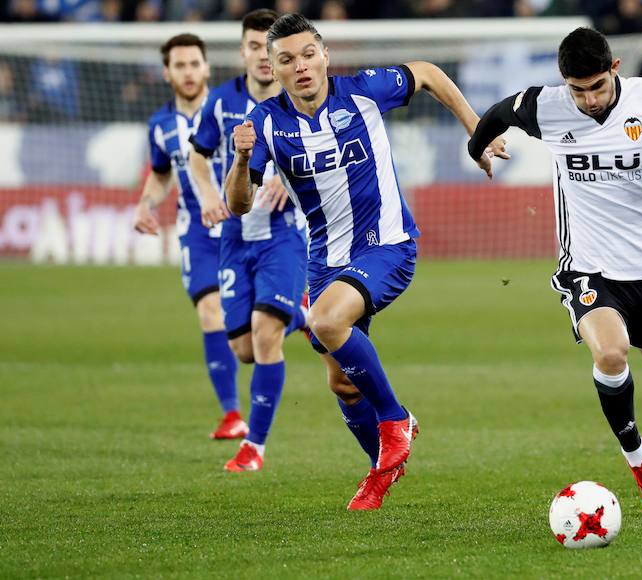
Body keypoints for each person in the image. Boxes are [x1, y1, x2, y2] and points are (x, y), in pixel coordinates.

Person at [224, 13, 506, 509]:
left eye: (309, 54)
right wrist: (242, 161)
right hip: (326, 262)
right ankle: (381, 470)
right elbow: (239, 204)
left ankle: (396, 421)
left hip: (387, 246)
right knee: (340, 381)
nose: (302, 66)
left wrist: (476, 132)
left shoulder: (363, 91)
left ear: (325, 55)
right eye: (287, 60)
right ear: (272, 68)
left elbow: (428, 73)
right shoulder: (265, 124)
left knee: (324, 320)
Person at [467, 27, 642, 518]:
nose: (588, 99)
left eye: (596, 86)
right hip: (587, 266)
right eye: (577, 90)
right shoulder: (545, 106)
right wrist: (478, 149)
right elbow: (496, 115)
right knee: (611, 354)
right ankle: (638, 458)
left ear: (615, 69)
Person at [188, 9, 310, 473]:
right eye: (255, 47)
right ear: (242, 51)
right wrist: (206, 196)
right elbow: (197, 155)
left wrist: (289, 178)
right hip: (234, 238)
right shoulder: (220, 102)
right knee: (241, 348)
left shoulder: (299, 99)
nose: (263, 56)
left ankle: (254, 448)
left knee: (263, 336)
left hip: (283, 234)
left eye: (270, 48)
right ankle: (304, 313)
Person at [132, 34, 244, 442]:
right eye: (179, 65)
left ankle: (299, 316)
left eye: (194, 63)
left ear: (207, 67)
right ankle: (232, 414)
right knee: (209, 313)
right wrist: (146, 204)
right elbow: (161, 174)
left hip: (243, 225)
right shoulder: (160, 126)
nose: (188, 72)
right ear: (167, 73)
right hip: (195, 231)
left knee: (251, 326)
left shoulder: (232, 109)